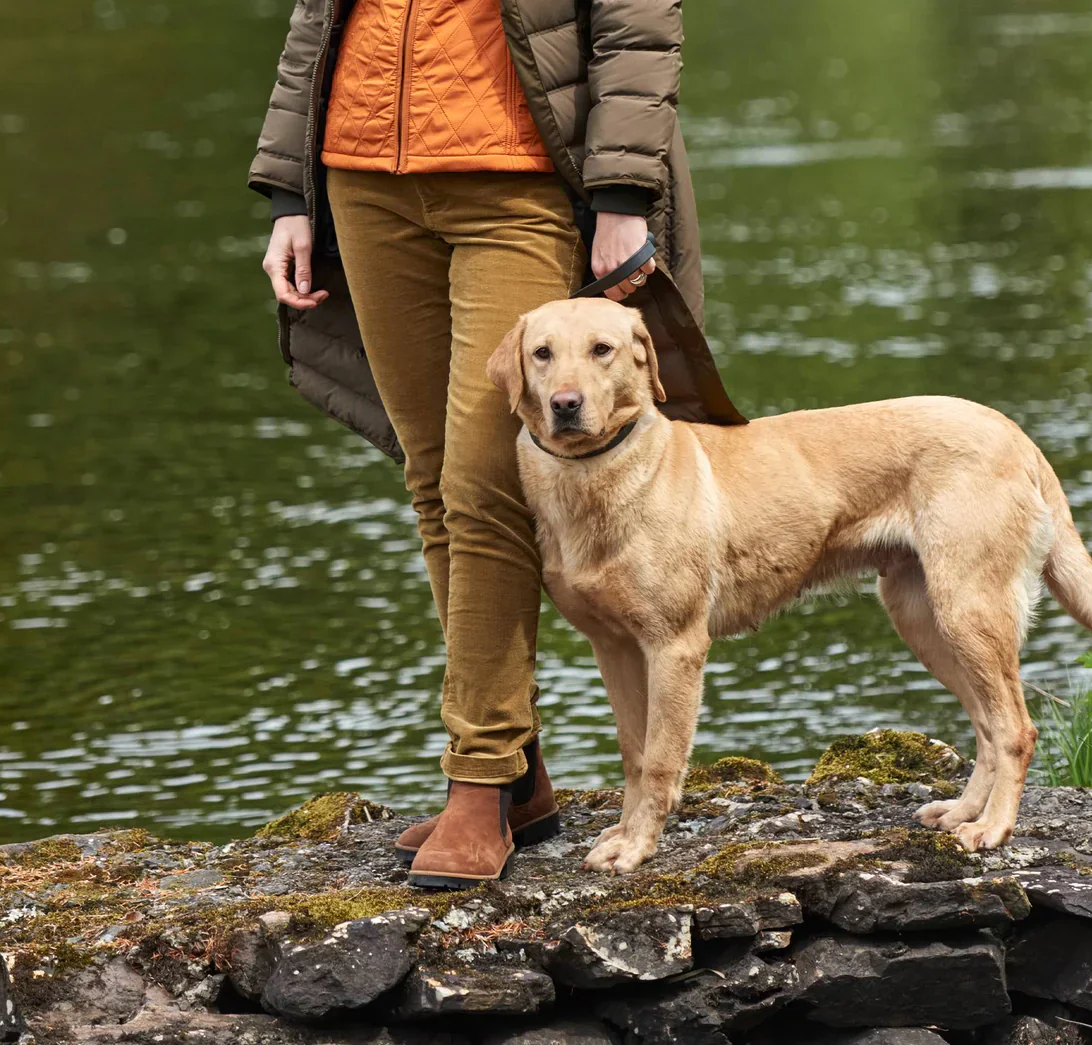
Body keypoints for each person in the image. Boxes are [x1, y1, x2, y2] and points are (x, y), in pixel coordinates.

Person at [249, 0, 740, 887]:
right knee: (433, 480)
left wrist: (623, 194)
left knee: (484, 484)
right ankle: (521, 774)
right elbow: (317, 16)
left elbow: (637, 19)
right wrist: (291, 190)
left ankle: (476, 779)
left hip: (517, 171)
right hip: (362, 169)